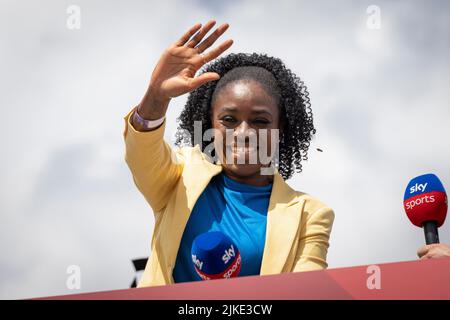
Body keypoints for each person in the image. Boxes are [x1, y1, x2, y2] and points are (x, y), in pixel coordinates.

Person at [123, 20, 335, 287]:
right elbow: (142, 156)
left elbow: (305, 290)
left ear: (280, 128)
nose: (244, 132)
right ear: (210, 123)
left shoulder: (310, 214)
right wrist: (156, 96)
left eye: (259, 121)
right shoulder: (180, 177)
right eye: (229, 119)